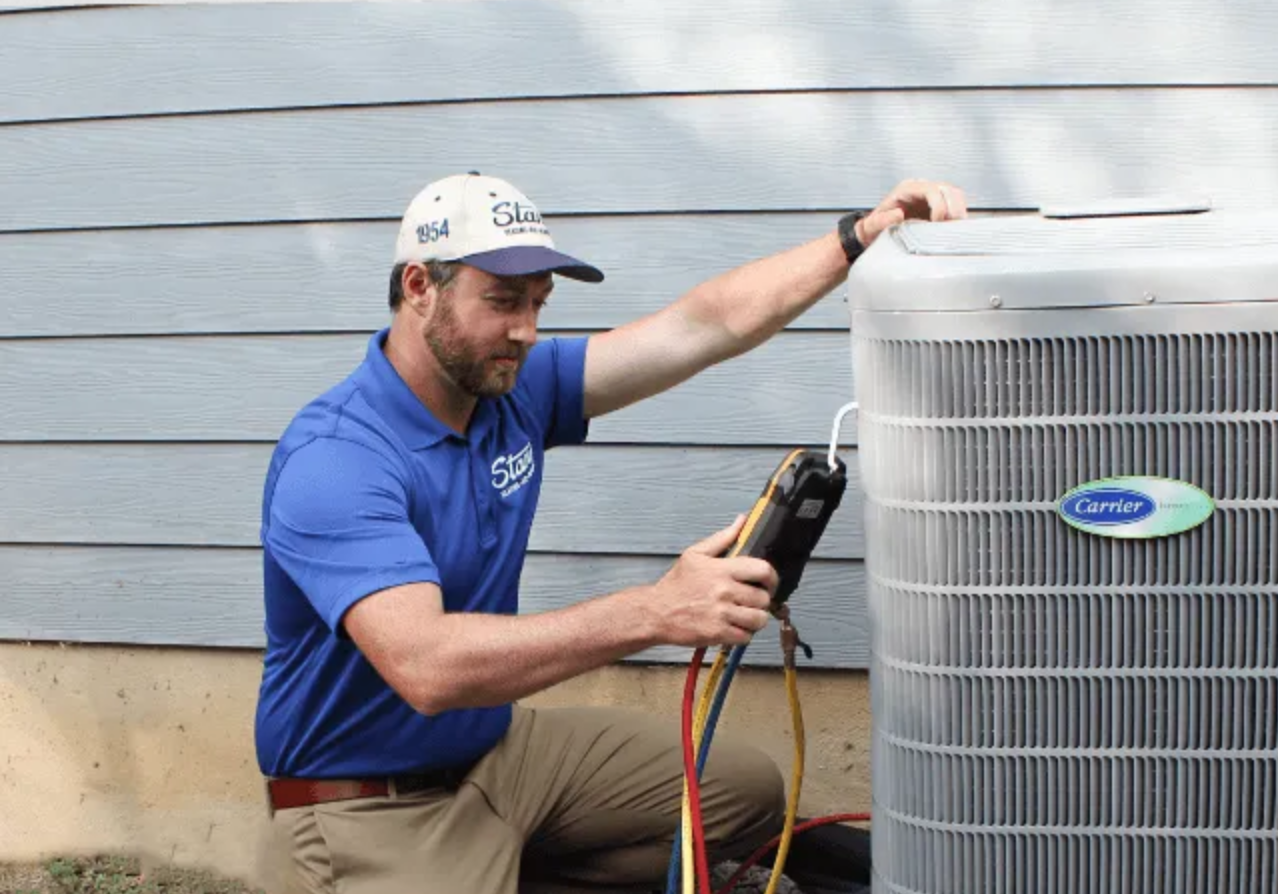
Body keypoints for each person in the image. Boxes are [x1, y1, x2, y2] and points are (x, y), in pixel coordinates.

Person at [254, 171, 967, 894]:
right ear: (418, 287)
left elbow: (701, 326)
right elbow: (428, 669)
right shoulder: (339, 459)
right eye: (502, 301)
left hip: (496, 758)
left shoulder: (510, 390)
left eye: (538, 302)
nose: (527, 330)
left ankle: (511, 864)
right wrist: (655, 610)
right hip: (368, 808)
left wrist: (853, 241)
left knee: (742, 792)